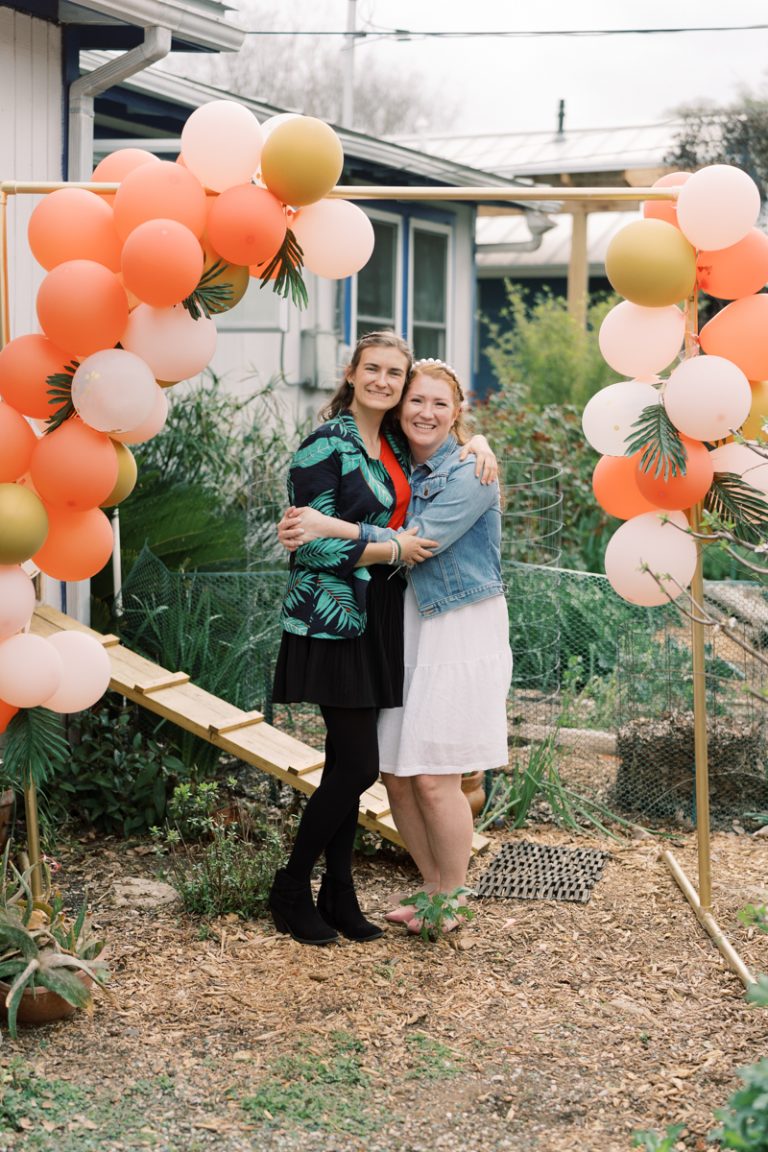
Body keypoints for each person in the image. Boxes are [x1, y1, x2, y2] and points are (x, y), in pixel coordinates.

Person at [268, 334, 494, 947]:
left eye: (396, 373)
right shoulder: (325, 445)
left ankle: (338, 892)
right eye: (374, 369)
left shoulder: (392, 443)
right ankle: (290, 887)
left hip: (382, 619)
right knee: (360, 765)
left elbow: (441, 448)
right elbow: (309, 548)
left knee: (348, 763)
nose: (384, 382)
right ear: (352, 372)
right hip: (334, 618)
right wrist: (390, 545)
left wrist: (478, 442)